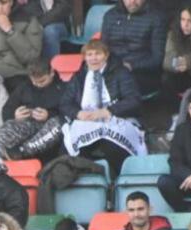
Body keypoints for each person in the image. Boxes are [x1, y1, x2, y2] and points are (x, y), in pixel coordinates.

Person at [59, 39, 144, 183]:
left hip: (117, 119)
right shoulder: (79, 76)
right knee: (70, 145)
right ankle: (83, 181)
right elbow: (65, 103)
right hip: (86, 121)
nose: (93, 58)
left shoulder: (120, 73)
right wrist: (77, 113)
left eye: (97, 54)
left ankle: (121, 180)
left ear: (106, 55)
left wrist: (108, 111)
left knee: (110, 144)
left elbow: (133, 100)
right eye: (89, 54)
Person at [0, 58, 64, 161]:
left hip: (49, 126)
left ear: (52, 73)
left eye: (42, 81)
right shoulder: (24, 87)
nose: (38, 84)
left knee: (59, 123)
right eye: (34, 82)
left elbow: (68, 112)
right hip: (27, 124)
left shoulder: (63, 88)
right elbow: (7, 109)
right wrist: (15, 114)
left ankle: (21, 151)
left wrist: (48, 115)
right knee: (9, 125)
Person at [100, 0, 166, 96]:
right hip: (113, 67)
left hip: (141, 73)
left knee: (119, 84)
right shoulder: (110, 15)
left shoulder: (156, 18)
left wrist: (132, 65)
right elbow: (103, 48)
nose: (132, 1)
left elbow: (157, 58)